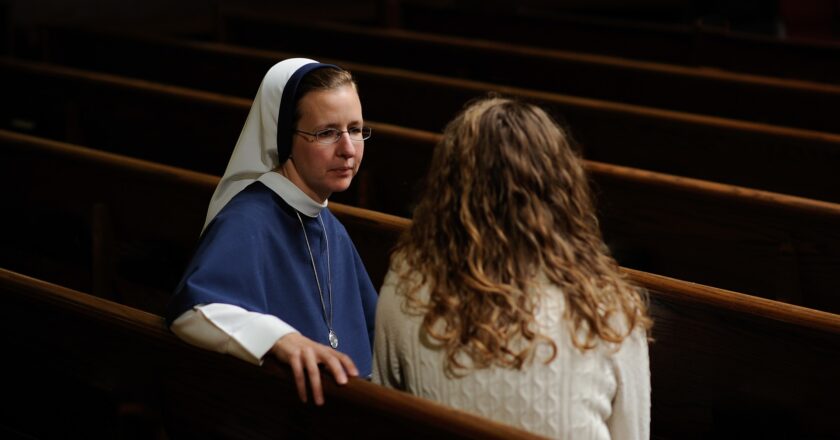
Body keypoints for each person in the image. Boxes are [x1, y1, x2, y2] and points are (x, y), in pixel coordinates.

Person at [372, 97, 652, 439]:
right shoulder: (609, 310)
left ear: (447, 188)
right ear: (560, 189)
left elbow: (385, 413)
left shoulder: (406, 284)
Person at [167, 58, 378, 406]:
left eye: (355, 129)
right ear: (284, 139)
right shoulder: (248, 218)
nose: (348, 149)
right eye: (326, 133)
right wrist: (279, 337)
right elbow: (192, 312)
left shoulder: (328, 223)